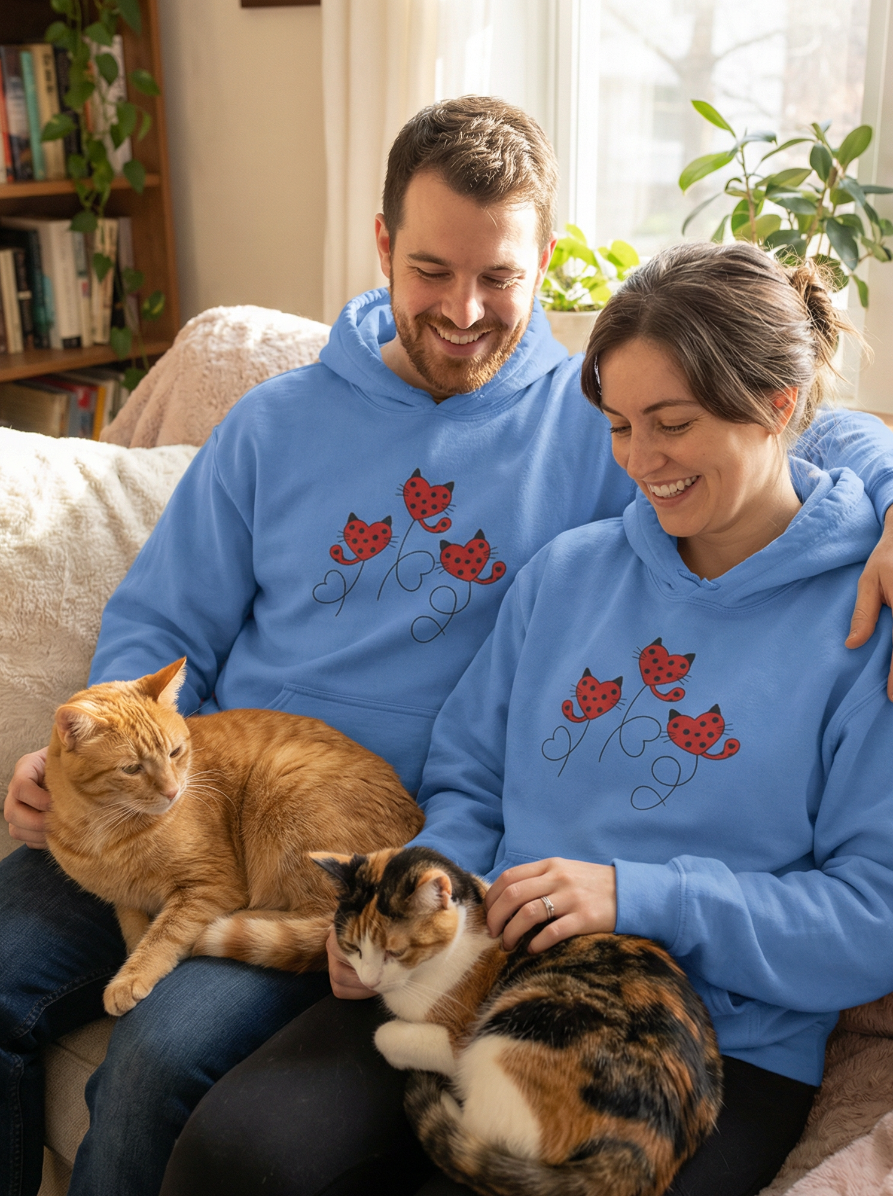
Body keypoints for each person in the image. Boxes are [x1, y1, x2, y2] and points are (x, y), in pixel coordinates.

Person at [2, 99, 893, 1196]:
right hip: (325, 865)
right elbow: (186, 639)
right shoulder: (540, 553)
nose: (463, 309)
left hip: (638, 1001)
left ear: (544, 263)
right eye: (430, 269)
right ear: (382, 247)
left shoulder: (656, 476)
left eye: (497, 277)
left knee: (166, 1063)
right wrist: (101, 747)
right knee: (181, 1105)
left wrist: (890, 505)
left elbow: (812, 438)